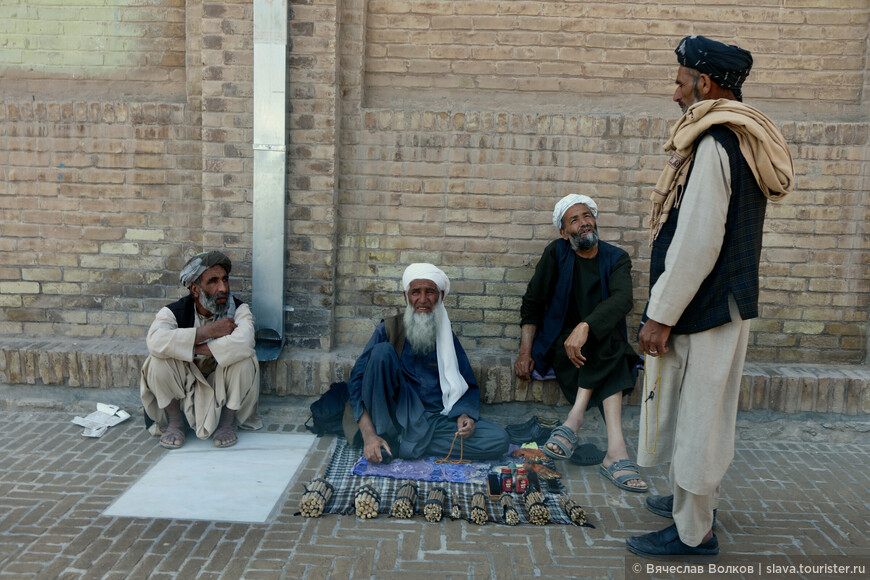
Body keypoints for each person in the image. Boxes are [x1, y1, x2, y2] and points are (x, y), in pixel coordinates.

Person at [627, 36, 794, 559]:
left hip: (706, 307)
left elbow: (698, 241)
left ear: (706, 83)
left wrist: (659, 315)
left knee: (700, 420)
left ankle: (693, 532)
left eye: (680, 82)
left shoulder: (714, 144)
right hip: (722, 303)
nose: (674, 93)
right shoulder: (739, 139)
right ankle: (690, 504)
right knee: (702, 414)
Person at [515, 194, 646, 492]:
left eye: (587, 216)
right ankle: (616, 455)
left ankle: (576, 424)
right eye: (574, 220)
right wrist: (525, 351)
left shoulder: (616, 258)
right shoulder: (556, 254)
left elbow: (623, 299)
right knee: (614, 349)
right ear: (564, 233)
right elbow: (533, 302)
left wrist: (586, 326)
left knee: (605, 334)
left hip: (598, 343)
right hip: (563, 348)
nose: (584, 222)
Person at [345, 264, 510, 463]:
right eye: (416, 292)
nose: (423, 300)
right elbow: (357, 383)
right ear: (407, 297)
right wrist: (368, 435)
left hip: (433, 420)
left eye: (430, 292)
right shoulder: (388, 329)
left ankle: (404, 444)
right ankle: (386, 437)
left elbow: (467, 382)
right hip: (393, 417)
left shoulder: (446, 336)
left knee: (498, 439)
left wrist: (463, 415)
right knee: (382, 352)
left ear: (440, 296)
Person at [140, 251, 262, 449]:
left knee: (245, 359)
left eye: (225, 279)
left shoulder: (239, 309)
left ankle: (227, 422)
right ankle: (176, 422)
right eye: (213, 281)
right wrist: (208, 331)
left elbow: (245, 342)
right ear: (195, 289)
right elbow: (155, 341)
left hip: (220, 382)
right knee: (156, 361)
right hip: (185, 384)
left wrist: (194, 348)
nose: (222, 288)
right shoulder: (172, 312)